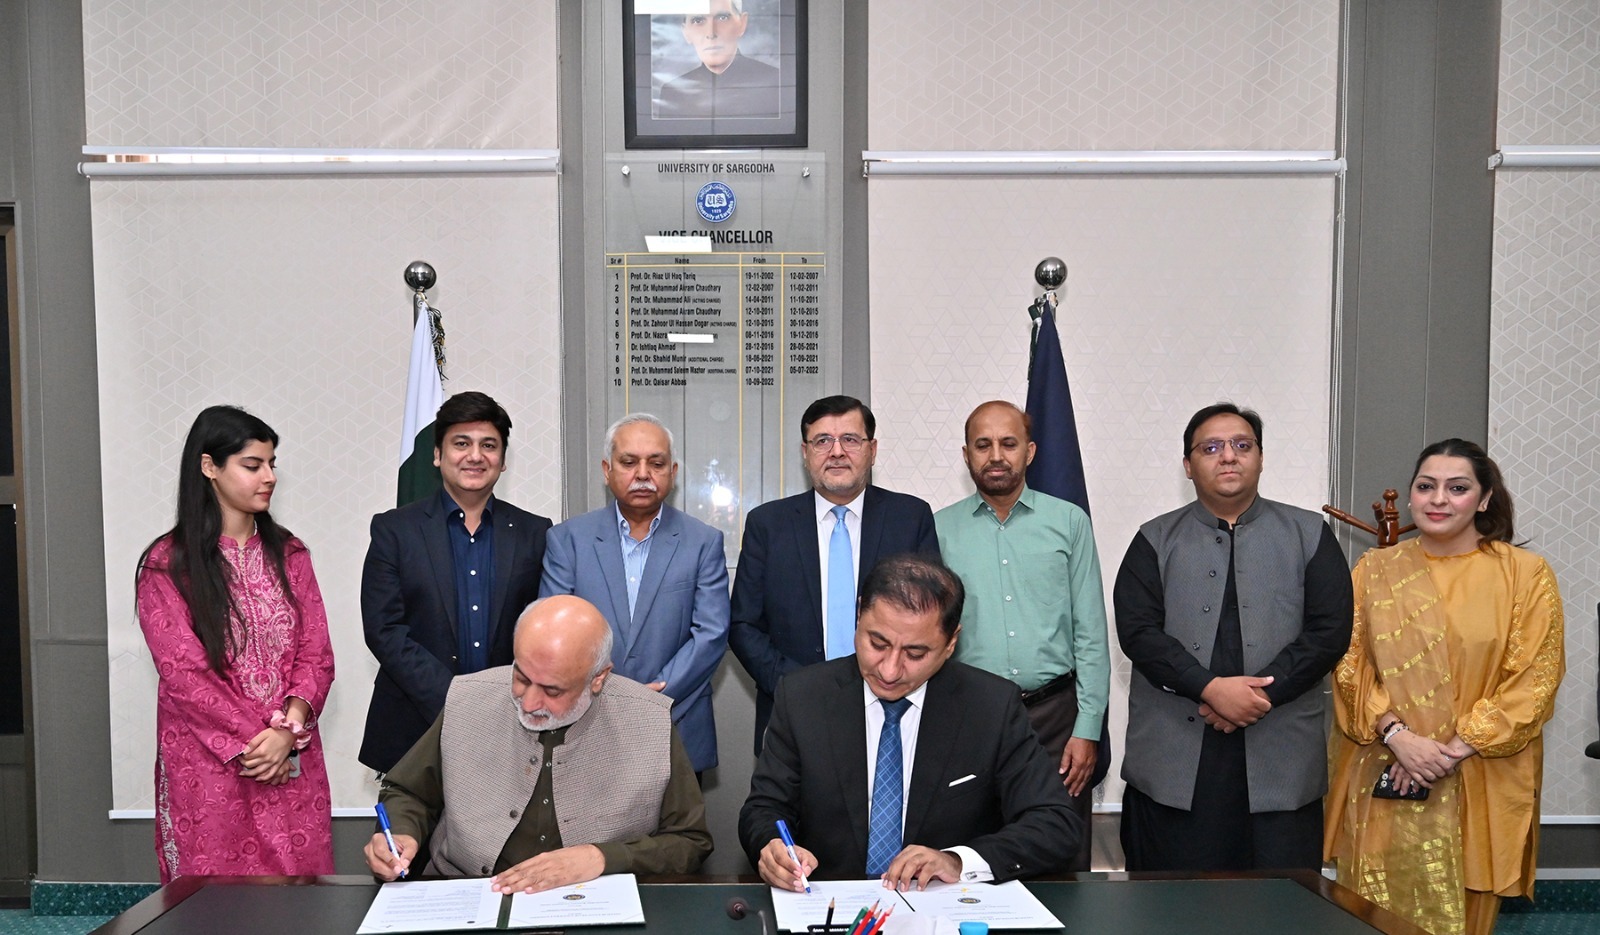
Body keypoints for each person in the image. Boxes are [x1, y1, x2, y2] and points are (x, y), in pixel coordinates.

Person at [1325, 439, 1564, 935]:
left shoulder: (1524, 575)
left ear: (1484, 498)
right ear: (1411, 494)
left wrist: (1445, 753)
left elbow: (1534, 679)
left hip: (1479, 774)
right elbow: (1350, 666)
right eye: (1426, 486)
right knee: (1374, 915)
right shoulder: (1375, 571)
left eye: (1457, 488)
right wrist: (1400, 739)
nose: (1438, 499)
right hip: (1386, 773)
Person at [740, 554, 1079, 890]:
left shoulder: (991, 706)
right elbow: (765, 808)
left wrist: (958, 861)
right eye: (877, 643)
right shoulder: (803, 697)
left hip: (945, 908)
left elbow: (1055, 824)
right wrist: (771, 847)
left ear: (951, 643)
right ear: (859, 616)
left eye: (915, 654)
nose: (889, 671)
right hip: (830, 903)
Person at [1113, 402, 1352, 871]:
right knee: (1169, 900)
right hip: (1174, 759)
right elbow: (1138, 632)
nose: (1228, 456)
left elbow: (1330, 631)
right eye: (1211, 448)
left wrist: (1259, 696)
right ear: (1188, 465)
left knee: (1280, 903)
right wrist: (1209, 688)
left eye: (1242, 445)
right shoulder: (1154, 539)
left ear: (1260, 458)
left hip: (1281, 757)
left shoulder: (1309, 534)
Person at [364, 595, 713, 891]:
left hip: (594, 904)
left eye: (552, 691)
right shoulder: (467, 698)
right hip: (468, 896)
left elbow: (690, 842)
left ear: (599, 678)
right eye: (521, 677)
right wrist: (400, 835)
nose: (529, 702)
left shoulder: (649, 720)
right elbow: (409, 793)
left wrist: (602, 857)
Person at [136, 405, 335, 883]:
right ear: (209, 467)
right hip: (210, 764)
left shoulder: (291, 554)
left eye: (271, 464)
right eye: (252, 465)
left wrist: (286, 734)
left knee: (299, 897)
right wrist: (258, 744)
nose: (269, 477)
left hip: (290, 758)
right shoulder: (168, 564)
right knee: (217, 900)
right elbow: (185, 673)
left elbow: (317, 654)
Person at [934, 400, 1109, 870]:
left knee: (1059, 854)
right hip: (969, 717)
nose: (996, 455)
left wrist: (1087, 729)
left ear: (1029, 452)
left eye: (1008, 443)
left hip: (1056, 720)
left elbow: (1091, 633)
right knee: (971, 860)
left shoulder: (1069, 522)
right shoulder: (938, 529)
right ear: (966, 455)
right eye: (983, 445)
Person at [728, 395, 940, 752]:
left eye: (850, 440)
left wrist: (893, 676)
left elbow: (931, 619)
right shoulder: (768, 524)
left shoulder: (910, 518)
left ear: (872, 450)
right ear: (805, 452)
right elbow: (742, 624)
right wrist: (798, 687)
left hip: (892, 709)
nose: (837, 452)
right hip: (793, 712)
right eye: (823, 441)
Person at [358, 392, 552, 774]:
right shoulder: (394, 530)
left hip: (511, 726)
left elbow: (542, 629)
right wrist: (456, 699)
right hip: (415, 726)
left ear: (503, 460)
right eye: (461, 444)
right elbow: (384, 630)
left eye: (488, 445)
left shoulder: (535, 533)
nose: (475, 456)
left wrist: (500, 699)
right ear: (437, 454)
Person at [539, 413, 730, 776]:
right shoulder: (568, 540)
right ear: (607, 470)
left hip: (676, 721)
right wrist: (600, 690)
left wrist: (653, 696)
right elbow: (553, 631)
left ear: (672, 472)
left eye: (656, 463)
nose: (643, 474)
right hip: (587, 722)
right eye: (629, 462)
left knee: (675, 816)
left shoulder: (703, 542)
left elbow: (711, 633)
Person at [656, 0, 782, 120]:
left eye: (722, 18)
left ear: (742, 24)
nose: (711, 33)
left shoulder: (776, 83)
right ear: (686, 32)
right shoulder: (672, 93)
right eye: (698, 20)